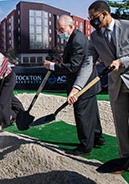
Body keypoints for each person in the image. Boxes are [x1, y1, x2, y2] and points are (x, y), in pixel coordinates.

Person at [75, 0, 129, 180]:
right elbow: (88, 63)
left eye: (94, 18)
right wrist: (77, 87)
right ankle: (126, 161)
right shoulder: (96, 37)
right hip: (117, 86)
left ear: (105, 14)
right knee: (120, 126)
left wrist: (122, 61)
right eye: (90, 18)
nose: (92, 22)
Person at [43, 15, 105, 156]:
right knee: (92, 112)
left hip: (83, 84)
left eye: (62, 29)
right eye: (58, 30)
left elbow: (74, 67)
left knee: (82, 114)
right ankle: (98, 137)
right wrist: (61, 60)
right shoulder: (76, 37)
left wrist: (51, 66)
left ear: (71, 26)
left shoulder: (77, 40)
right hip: (89, 83)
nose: (60, 33)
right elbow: (74, 59)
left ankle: (85, 146)